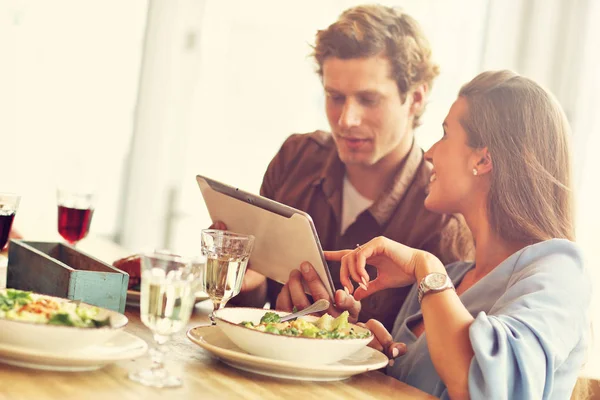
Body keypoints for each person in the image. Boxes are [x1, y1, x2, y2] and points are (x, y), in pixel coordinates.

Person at [326, 70, 591, 399]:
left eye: (445, 134)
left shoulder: (558, 270)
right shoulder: (449, 280)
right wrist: (362, 352)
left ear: (483, 157)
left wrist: (426, 268)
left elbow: (487, 388)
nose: (429, 153)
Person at [221, 4, 474, 330]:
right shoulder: (296, 159)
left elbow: (429, 365)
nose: (346, 120)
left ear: (416, 99)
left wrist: (349, 334)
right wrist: (248, 280)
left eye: (368, 100)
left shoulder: (445, 220)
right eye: (335, 97)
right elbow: (251, 311)